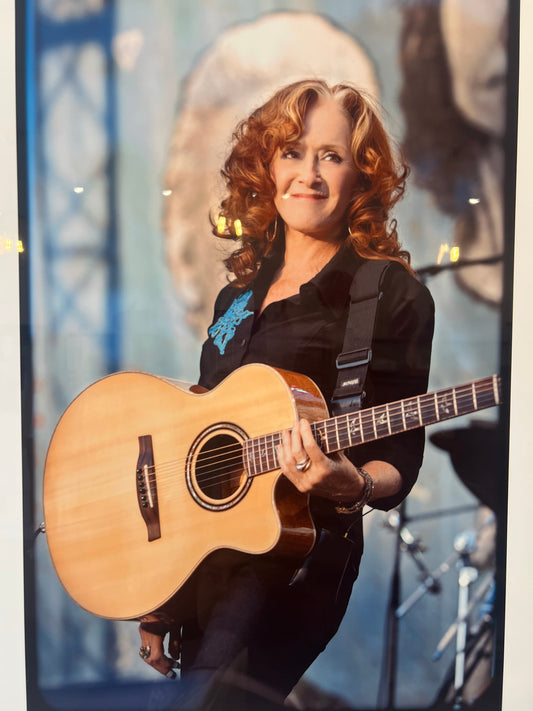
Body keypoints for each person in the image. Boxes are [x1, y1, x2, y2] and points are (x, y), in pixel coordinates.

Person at [138, 79, 434, 707]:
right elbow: (199, 440)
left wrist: (352, 484)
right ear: (267, 166)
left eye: (332, 156)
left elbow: (401, 455)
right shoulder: (237, 296)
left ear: (361, 176)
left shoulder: (389, 293)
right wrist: (163, 595)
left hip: (297, 554)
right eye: (293, 152)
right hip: (205, 554)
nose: (309, 174)